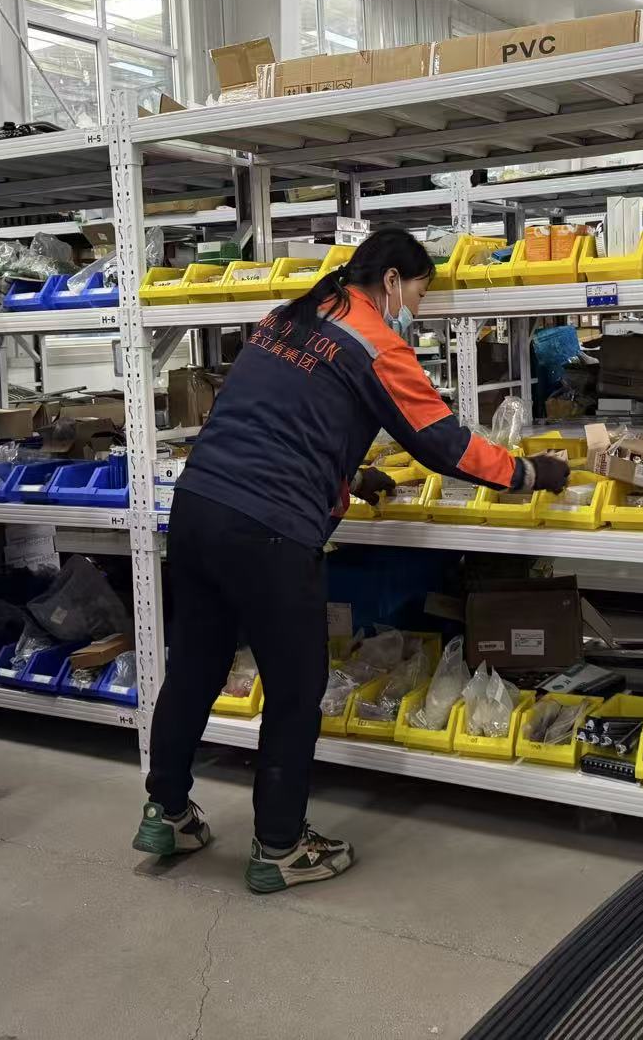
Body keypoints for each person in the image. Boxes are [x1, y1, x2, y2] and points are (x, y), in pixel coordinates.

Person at [130, 228, 568, 892]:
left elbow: (280, 417)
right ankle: (280, 846)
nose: (415, 312)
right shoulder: (375, 340)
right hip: (270, 528)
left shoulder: (287, 318)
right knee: (296, 689)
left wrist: (349, 475)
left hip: (198, 508)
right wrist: (529, 473)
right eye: (417, 295)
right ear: (391, 281)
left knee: (194, 666)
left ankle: (166, 812)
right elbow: (441, 442)